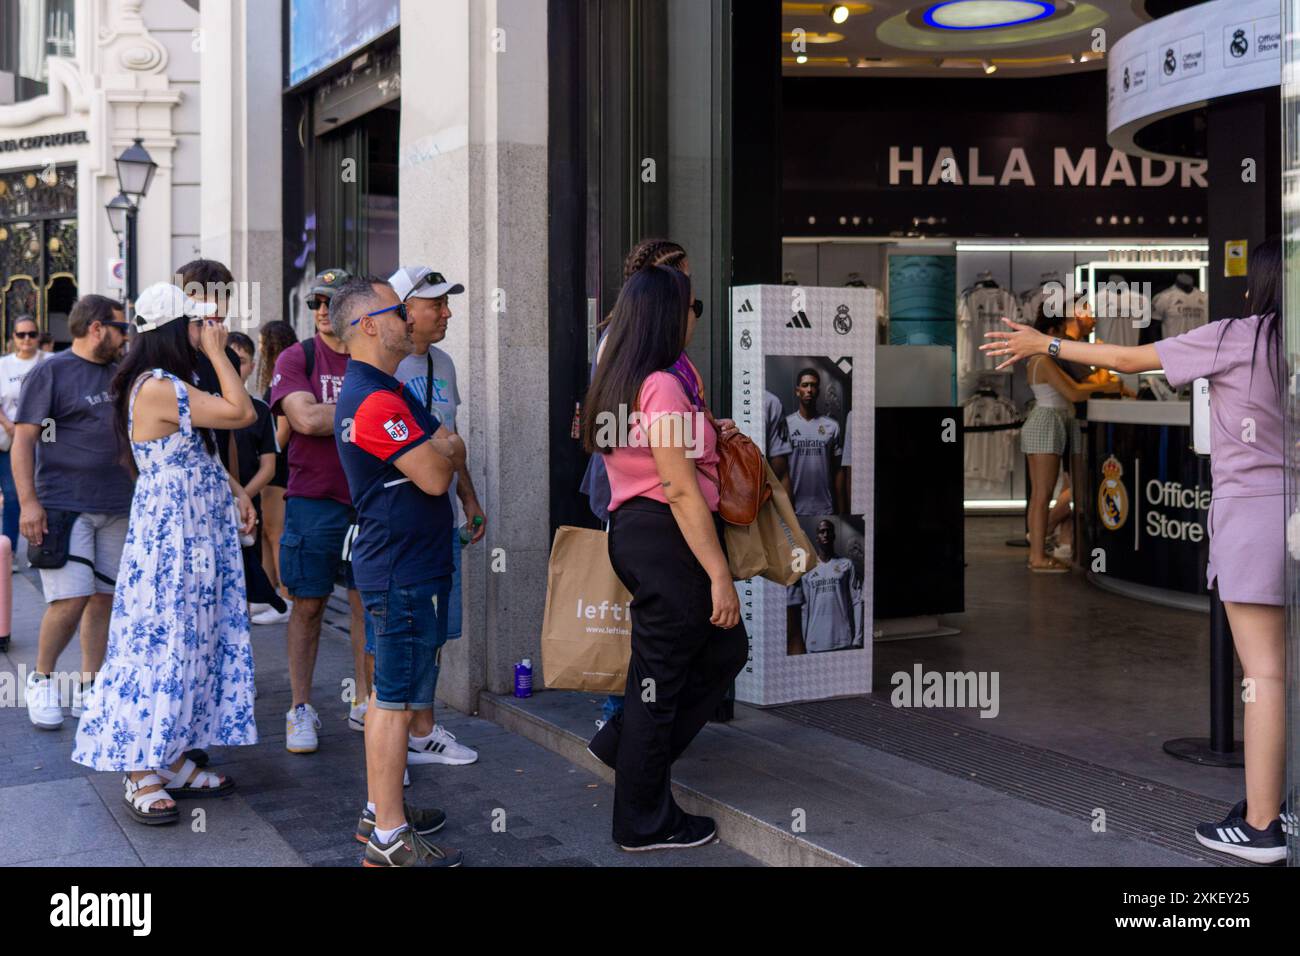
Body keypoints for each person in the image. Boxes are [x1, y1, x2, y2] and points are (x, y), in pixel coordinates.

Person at [983, 238, 1288, 864]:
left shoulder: (1239, 336)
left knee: (1265, 676)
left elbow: (1126, 357)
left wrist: (1047, 345)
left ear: (1258, 284)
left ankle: (1262, 827)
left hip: (1253, 516)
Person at [71, 283, 258, 825]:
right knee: (158, 642)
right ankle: (139, 769)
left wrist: (236, 491)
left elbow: (199, 453)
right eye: (198, 326)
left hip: (193, 533)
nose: (207, 332)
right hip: (172, 540)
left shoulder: (170, 383)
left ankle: (172, 758)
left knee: (192, 640)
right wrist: (223, 356)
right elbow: (240, 411)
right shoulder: (155, 386)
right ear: (177, 330)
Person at [582, 265, 748, 852]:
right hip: (666, 535)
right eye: (687, 306)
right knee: (665, 675)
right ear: (664, 316)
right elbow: (678, 487)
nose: (692, 317)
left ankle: (624, 750)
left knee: (718, 650)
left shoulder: (616, 380)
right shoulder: (662, 385)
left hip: (635, 531)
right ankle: (644, 818)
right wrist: (720, 575)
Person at [331, 276, 464, 867]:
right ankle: (389, 836)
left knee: (399, 692)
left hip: (406, 563)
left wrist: (443, 451)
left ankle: (379, 811)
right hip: (400, 566)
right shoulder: (374, 398)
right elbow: (439, 470)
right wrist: (444, 453)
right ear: (367, 324)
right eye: (396, 310)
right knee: (393, 699)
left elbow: (444, 446)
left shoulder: (386, 388)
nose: (409, 318)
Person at [582, 238, 720, 731]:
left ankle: (629, 741)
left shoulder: (639, 360)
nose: (694, 311)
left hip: (639, 511)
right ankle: (622, 731)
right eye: (689, 300)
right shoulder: (656, 374)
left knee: (671, 651)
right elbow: (670, 476)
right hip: (652, 515)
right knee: (658, 655)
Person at [13, 296, 131, 730]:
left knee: (104, 597)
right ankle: (41, 680)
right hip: (65, 503)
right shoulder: (51, 371)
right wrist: (28, 503)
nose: (126, 337)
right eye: (121, 328)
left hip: (118, 503)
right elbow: (24, 440)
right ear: (97, 328)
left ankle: (90, 684)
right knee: (71, 598)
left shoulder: (121, 372)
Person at [388, 266, 484, 766]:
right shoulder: (385, 367)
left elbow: (454, 439)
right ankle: (393, 728)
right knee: (396, 630)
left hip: (441, 518)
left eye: (447, 303)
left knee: (437, 629)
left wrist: (469, 500)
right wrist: (442, 447)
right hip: (399, 524)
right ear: (404, 310)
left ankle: (421, 730)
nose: (447, 313)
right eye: (436, 304)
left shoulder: (443, 364)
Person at [269, 268, 367, 753]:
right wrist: (363, 412)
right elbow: (303, 418)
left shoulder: (371, 355)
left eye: (331, 300)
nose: (322, 310)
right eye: (315, 303)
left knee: (365, 604)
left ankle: (365, 702)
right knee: (307, 605)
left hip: (368, 500)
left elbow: (321, 415)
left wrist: (336, 416)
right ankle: (300, 708)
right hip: (312, 502)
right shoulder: (297, 355)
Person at [1018, 300, 1123, 573]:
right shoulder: (1042, 359)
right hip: (1047, 422)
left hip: (1055, 422)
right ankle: (1037, 556)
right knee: (1042, 494)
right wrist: (1109, 384)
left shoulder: (1047, 359)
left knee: (1044, 494)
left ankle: (1041, 551)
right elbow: (1074, 393)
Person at [227, 331, 290, 624]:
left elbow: (269, 465)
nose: (234, 367)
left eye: (240, 361)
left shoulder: (261, 410)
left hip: (248, 508)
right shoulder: (202, 405)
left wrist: (243, 495)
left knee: (246, 572)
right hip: (212, 506)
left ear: (252, 365)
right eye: (228, 359)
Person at [256, 321, 297, 600]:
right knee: (269, 532)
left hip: (279, 467)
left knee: (275, 532)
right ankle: (270, 594)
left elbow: (283, 430)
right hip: (279, 465)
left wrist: (267, 457)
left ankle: (284, 594)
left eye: (261, 343)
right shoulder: (287, 376)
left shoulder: (282, 380)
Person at [0, 315, 46, 552]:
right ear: (14, 338)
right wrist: (9, 424)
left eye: (31, 334)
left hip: (46, 438)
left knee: (44, 492)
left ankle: (37, 548)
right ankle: (8, 550)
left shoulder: (49, 361)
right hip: (11, 438)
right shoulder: (4, 365)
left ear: (38, 336)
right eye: (21, 334)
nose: (27, 339)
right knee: (13, 494)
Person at [784, 369, 842, 516]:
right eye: (805, 385)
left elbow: (838, 471)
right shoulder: (786, 425)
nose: (809, 389)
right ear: (797, 391)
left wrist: (842, 511)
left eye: (813, 385)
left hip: (825, 508)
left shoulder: (832, 426)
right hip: (793, 509)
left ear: (818, 391)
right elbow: (779, 471)